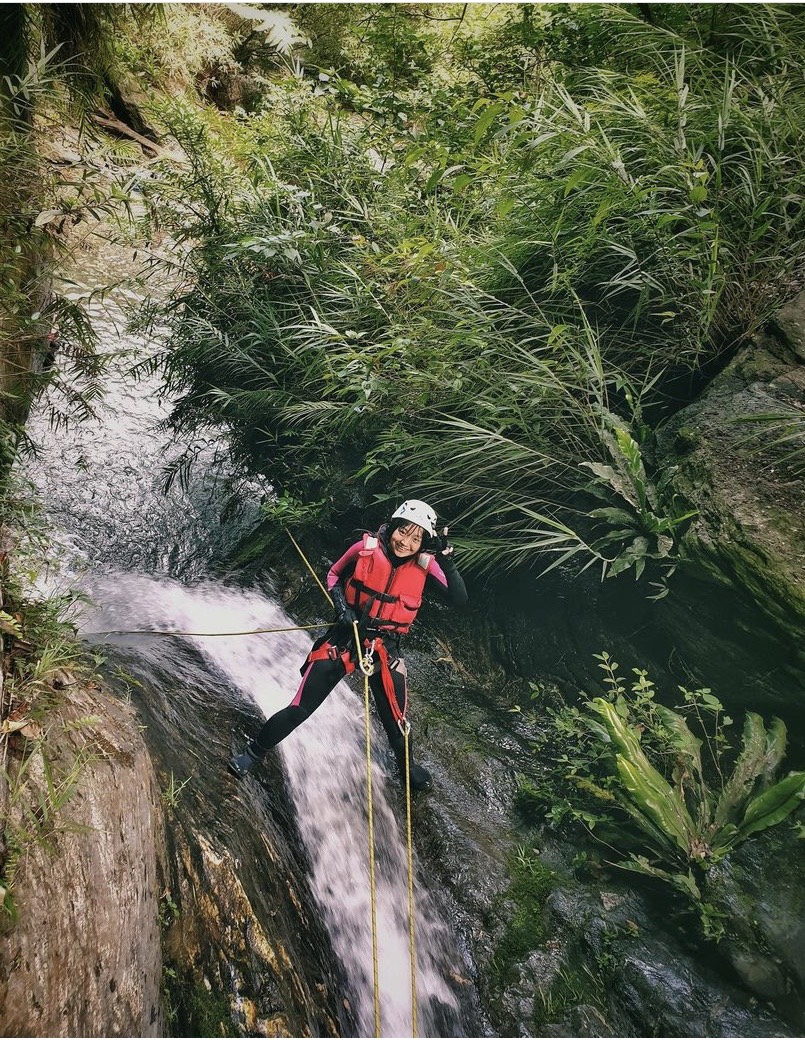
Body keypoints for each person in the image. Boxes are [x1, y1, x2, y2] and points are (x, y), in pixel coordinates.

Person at [228, 499, 468, 790]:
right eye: (403, 532)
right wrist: (343, 608)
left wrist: (447, 561)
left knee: (396, 723)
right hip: (346, 637)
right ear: (392, 527)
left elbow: (459, 599)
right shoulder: (364, 549)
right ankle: (253, 753)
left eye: (416, 538)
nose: (405, 542)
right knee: (300, 708)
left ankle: (407, 769)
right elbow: (334, 575)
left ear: (423, 543)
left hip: (385, 648)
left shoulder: (426, 565)